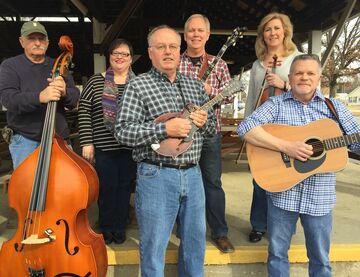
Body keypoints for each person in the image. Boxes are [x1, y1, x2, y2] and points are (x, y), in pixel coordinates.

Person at [237, 54, 360, 276]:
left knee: (321, 260)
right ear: (291, 77)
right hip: (283, 196)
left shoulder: (335, 109)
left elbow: (356, 141)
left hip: (320, 199)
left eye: (310, 73)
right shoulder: (276, 104)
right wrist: (285, 147)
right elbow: (246, 127)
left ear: (319, 78)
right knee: (277, 255)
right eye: (299, 73)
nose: (304, 77)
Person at [114, 25, 215, 277]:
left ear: (180, 52)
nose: (168, 52)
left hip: (193, 175)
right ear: (150, 53)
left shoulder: (194, 86)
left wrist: (205, 122)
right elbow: (123, 131)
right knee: (154, 247)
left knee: (195, 245)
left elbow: (212, 129)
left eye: (173, 46)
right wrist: (164, 129)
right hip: (156, 174)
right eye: (161, 47)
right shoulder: (137, 86)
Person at [178, 13, 234, 253]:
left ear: (208, 35)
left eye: (200, 30)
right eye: (191, 30)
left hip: (211, 134)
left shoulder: (219, 64)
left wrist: (212, 89)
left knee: (212, 183)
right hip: (182, 132)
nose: (196, 34)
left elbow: (231, 94)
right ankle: (183, 228)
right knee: (182, 182)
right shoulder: (175, 62)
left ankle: (219, 231)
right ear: (185, 34)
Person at [244, 12, 302, 243]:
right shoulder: (258, 65)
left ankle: (284, 227)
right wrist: (247, 128)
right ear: (262, 35)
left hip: (290, 128)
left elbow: (310, 93)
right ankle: (259, 224)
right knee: (260, 179)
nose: (272, 33)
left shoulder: (298, 59)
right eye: (268, 30)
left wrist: (285, 84)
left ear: (285, 31)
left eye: (277, 28)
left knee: (288, 180)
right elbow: (252, 98)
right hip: (263, 130)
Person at [78, 38, 137, 245]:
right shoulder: (96, 81)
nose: (119, 57)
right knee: (106, 188)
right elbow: (84, 112)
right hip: (104, 146)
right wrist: (87, 142)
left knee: (124, 187)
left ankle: (119, 226)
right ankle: (106, 225)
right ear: (109, 57)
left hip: (130, 147)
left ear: (131, 59)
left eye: (124, 54)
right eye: (115, 53)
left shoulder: (138, 83)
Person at [0, 21, 79, 169]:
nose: (37, 43)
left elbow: (74, 99)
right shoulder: (10, 66)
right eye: (31, 38)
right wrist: (40, 97)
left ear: (47, 42)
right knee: (28, 190)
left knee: (65, 188)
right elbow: (8, 99)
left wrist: (65, 92)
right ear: (21, 41)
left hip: (59, 139)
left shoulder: (57, 65)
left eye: (41, 39)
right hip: (25, 140)